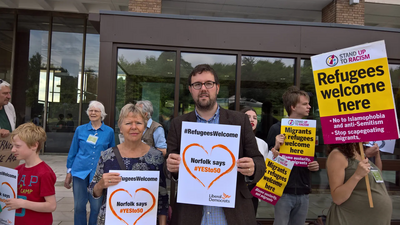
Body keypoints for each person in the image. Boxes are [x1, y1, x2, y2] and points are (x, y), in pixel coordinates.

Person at [166, 64, 266, 225]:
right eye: (197, 84)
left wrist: (253, 167)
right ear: (191, 89)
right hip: (191, 214)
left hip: (233, 213)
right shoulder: (179, 124)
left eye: (209, 83)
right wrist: (171, 166)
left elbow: (259, 161)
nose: (203, 88)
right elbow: (168, 166)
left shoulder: (239, 121)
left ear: (217, 88)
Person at [88, 103, 168, 225]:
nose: (134, 127)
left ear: (144, 127)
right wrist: (100, 184)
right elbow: (95, 192)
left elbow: (162, 196)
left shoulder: (156, 157)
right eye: (128, 123)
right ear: (120, 127)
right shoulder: (107, 156)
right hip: (112, 220)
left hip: (146, 220)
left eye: (138, 123)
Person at [266, 86, 319, 225]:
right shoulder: (276, 129)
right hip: (283, 191)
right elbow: (267, 160)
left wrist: (315, 165)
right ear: (293, 107)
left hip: (303, 191)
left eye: (308, 103)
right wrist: (276, 147)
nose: (309, 106)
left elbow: (312, 158)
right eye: (305, 104)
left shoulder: (309, 130)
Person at [64, 101, 116, 225]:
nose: (93, 113)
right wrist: (69, 171)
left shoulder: (109, 132)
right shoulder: (80, 130)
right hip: (80, 171)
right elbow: (73, 151)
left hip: (98, 174)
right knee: (78, 206)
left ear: (102, 114)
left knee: (96, 207)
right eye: (91, 110)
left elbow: (112, 153)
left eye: (96, 111)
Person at [325, 142, 392, 225]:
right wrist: (357, 175)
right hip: (351, 218)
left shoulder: (360, 154)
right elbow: (337, 198)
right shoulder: (337, 155)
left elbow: (376, 177)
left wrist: (377, 155)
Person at [5, 123, 56, 225]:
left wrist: (22, 203)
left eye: (17, 146)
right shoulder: (17, 170)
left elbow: (51, 205)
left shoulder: (44, 173)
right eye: (13, 146)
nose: (13, 150)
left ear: (34, 145)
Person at [241, 107, 269, 216]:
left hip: (253, 190)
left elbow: (264, 168)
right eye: (248, 117)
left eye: (255, 118)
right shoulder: (233, 140)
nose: (252, 120)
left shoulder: (262, 144)